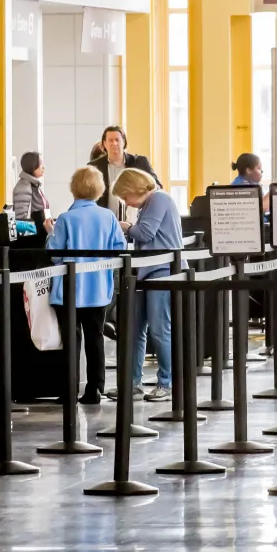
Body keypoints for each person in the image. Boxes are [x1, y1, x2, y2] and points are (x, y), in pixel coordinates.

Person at [47, 166, 126, 404]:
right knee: (95, 338)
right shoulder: (108, 217)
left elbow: (55, 255)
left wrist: (50, 232)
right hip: (98, 289)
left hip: (69, 291)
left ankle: (69, 390)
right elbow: (120, 248)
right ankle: (95, 389)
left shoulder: (66, 219)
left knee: (71, 341)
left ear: (74, 189)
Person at [114, 169, 182, 402]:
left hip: (162, 272)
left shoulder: (158, 199)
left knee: (159, 330)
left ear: (134, 188)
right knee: (136, 330)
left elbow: (145, 233)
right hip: (147, 272)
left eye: (125, 196)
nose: (126, 202)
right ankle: (133, 383)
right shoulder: (151, 203)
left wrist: (125, 227)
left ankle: (166, 383)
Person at [89, 126, 161, 213]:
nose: (114, 143)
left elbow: (157, 187)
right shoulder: (94, 166)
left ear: (124, 142)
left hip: (136, 216)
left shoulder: (140, 162)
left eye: (117, 140)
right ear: (104, 144)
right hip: (104, 217)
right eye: (110, 140)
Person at [12, 151, 54, 231]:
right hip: (33, 234)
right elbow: (20, 219)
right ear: (32, 166)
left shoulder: (35, 185)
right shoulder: (24, 187)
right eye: (40, 163)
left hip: (40, 232)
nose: (43, 167)